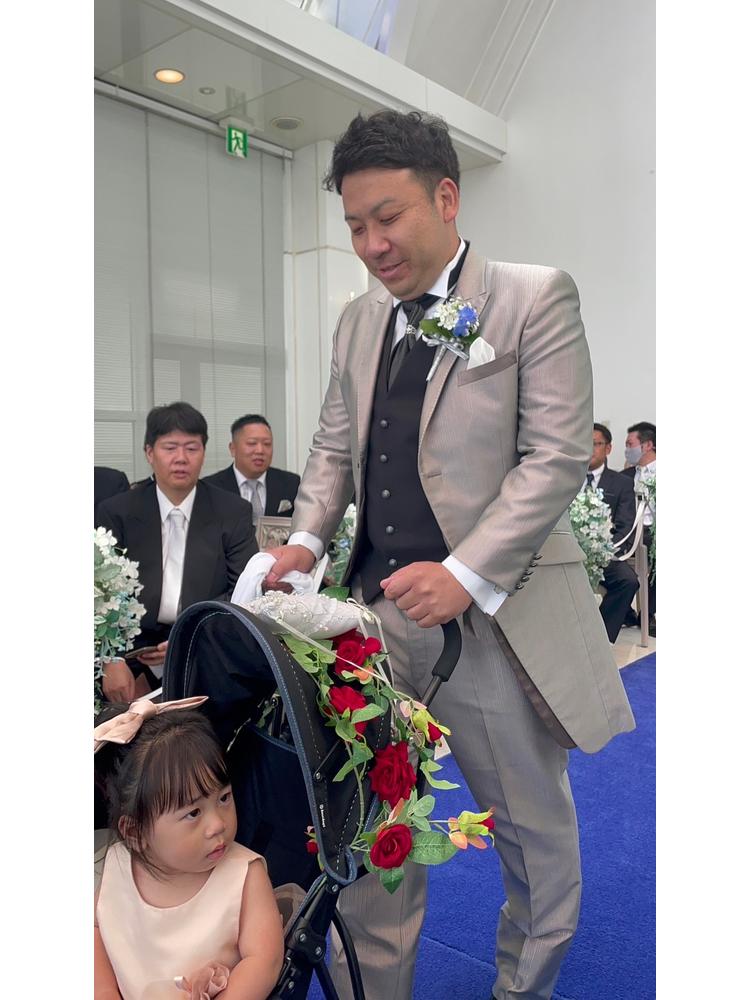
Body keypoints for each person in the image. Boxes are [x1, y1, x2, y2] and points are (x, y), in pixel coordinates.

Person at [264, 109, 635, 1000]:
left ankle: (521, 988)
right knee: (373, 832)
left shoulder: (532, 297)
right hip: (370, 626)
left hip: (492, 625)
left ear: (446, 197)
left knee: (531, 836)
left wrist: (464, 573)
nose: (372, 245)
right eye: (356, 225)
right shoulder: (358, 321)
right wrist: (307, 538)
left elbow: (554, 456)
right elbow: (334, 444)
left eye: (388, 217)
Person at [94, 705, 284, 1000]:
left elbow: (264, 961)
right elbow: (96, 931)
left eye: (224, 798)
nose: (217, 824)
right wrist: (104, 990)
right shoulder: (114, 866)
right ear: (135, 833)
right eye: (193, 813)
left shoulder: (244, 875)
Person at [96, 402, 257, 700]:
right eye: (170, 448)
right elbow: (100, 592)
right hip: (132, 651)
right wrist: (111, 658)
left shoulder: (232, 512)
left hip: (204, 642)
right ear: (149, 453)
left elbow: (243, 589)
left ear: (203, 452)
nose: (181, 458)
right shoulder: (116, 512)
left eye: (191, 448)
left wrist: (189, 634)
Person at [587, 423, 639, 642]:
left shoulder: (622, 483)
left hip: (605, 554)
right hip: (569, 553)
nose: (589, 449)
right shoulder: (567, 479)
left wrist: (603, 552)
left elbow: (625, 526)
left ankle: (600, 639)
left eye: (595, 444)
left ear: (608, 448)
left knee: (628, 581)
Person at [203, 414, 300, 527]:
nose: (260, 450)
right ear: (233, 448)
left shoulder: (291, 483)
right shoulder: (210, 487)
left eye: (267, 444)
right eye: (252, 443)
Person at [621, 421, 656, 635]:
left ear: (647, 445)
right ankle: (625, 610)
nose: (627, 450)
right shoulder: (625, 476)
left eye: (630, 444)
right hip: (628, 531)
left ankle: (648, 612)